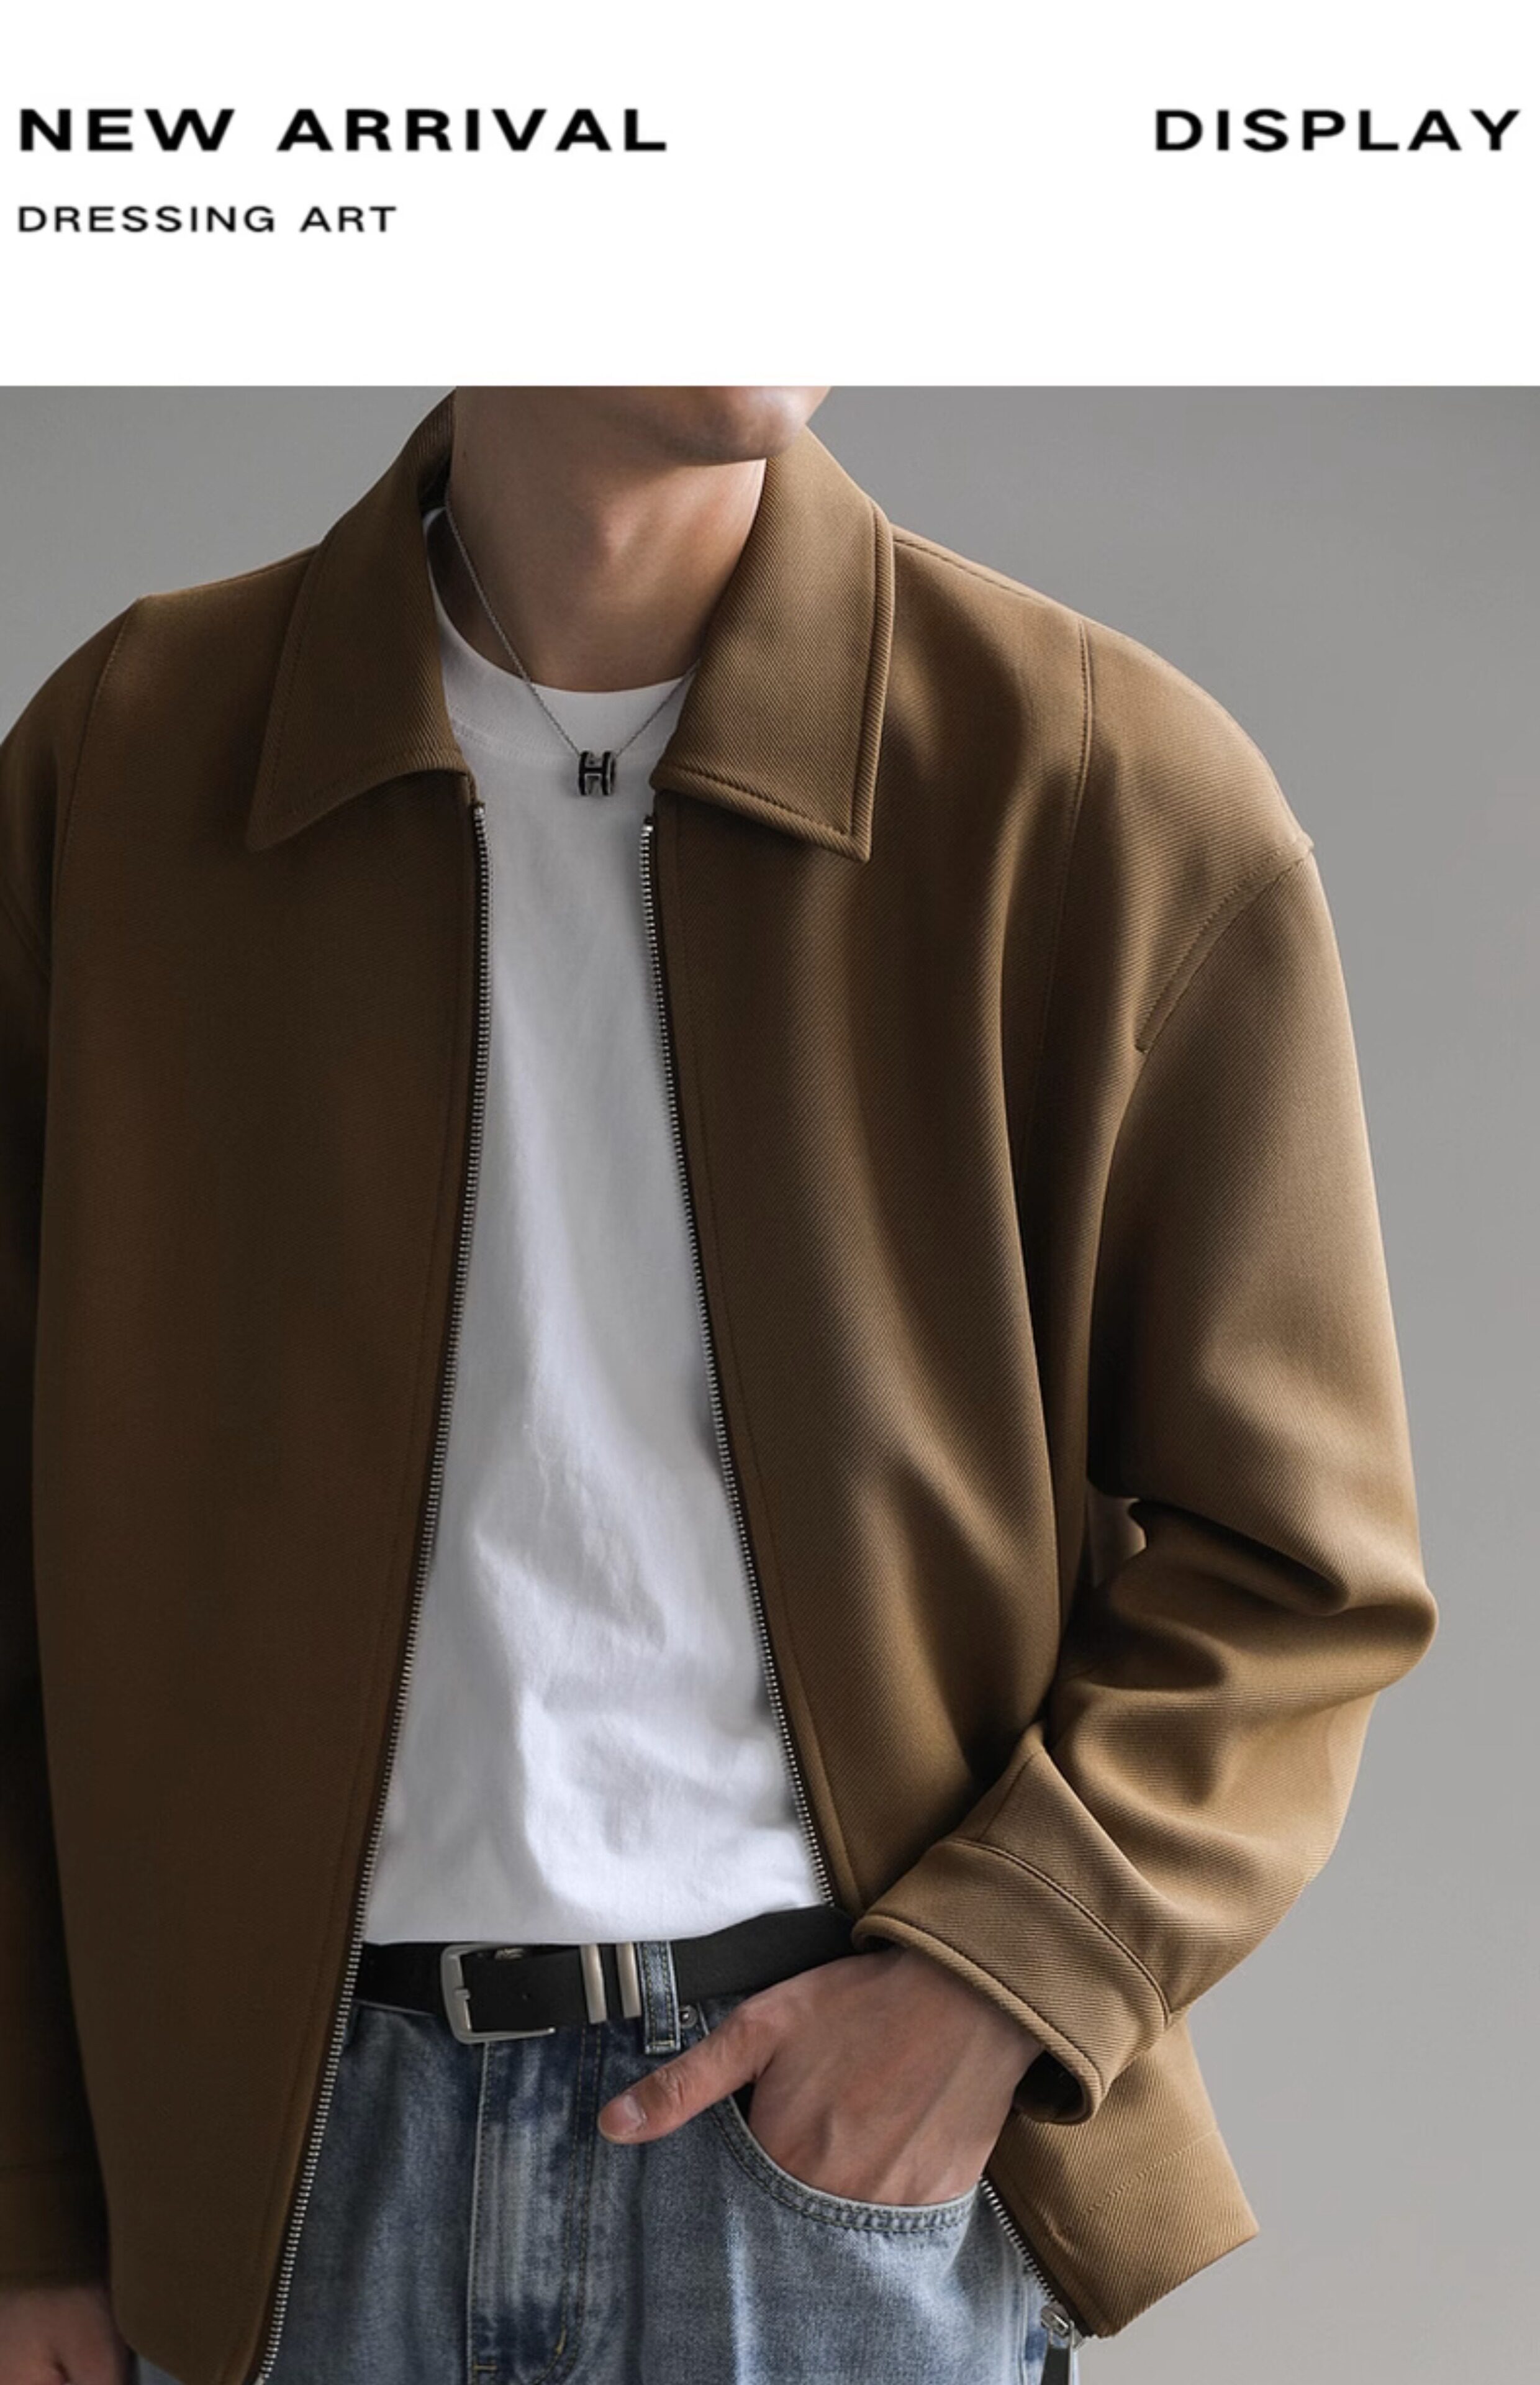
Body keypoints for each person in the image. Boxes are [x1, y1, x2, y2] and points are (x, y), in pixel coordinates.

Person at [0, 388, 1436, 2385]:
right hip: (278, 2194)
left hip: (820, 2176)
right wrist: (30, 2194)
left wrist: (992, 1987)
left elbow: (1301, 1566)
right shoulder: (135, 760)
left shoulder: (1096, 784)